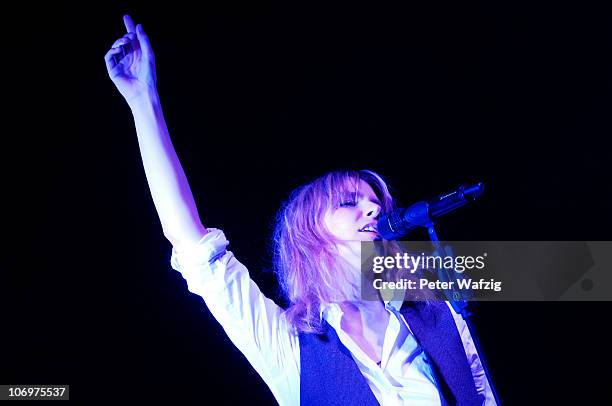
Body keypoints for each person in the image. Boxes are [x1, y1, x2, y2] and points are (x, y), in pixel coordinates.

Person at [105, 14, 498, 405]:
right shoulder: (290, 350)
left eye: (377, 203)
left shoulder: (443, 315)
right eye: (350, 203)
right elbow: (191, 245)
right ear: (309, 236)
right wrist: (144, 101)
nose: (373, 210)